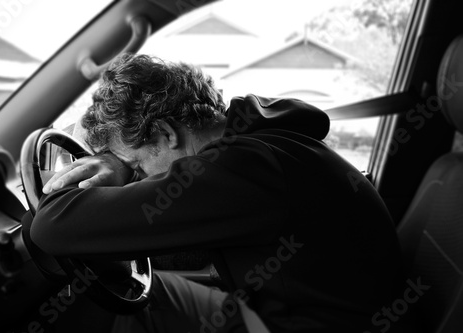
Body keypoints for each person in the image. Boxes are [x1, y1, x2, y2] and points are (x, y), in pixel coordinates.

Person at [28, 53, 403, 332]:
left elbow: (51, 227)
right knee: (144, 293)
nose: (137, 181)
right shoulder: (258, 142)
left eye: (136, 167)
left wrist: (110, 168)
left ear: (166, 133)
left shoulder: (241, 170)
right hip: (273, 314)